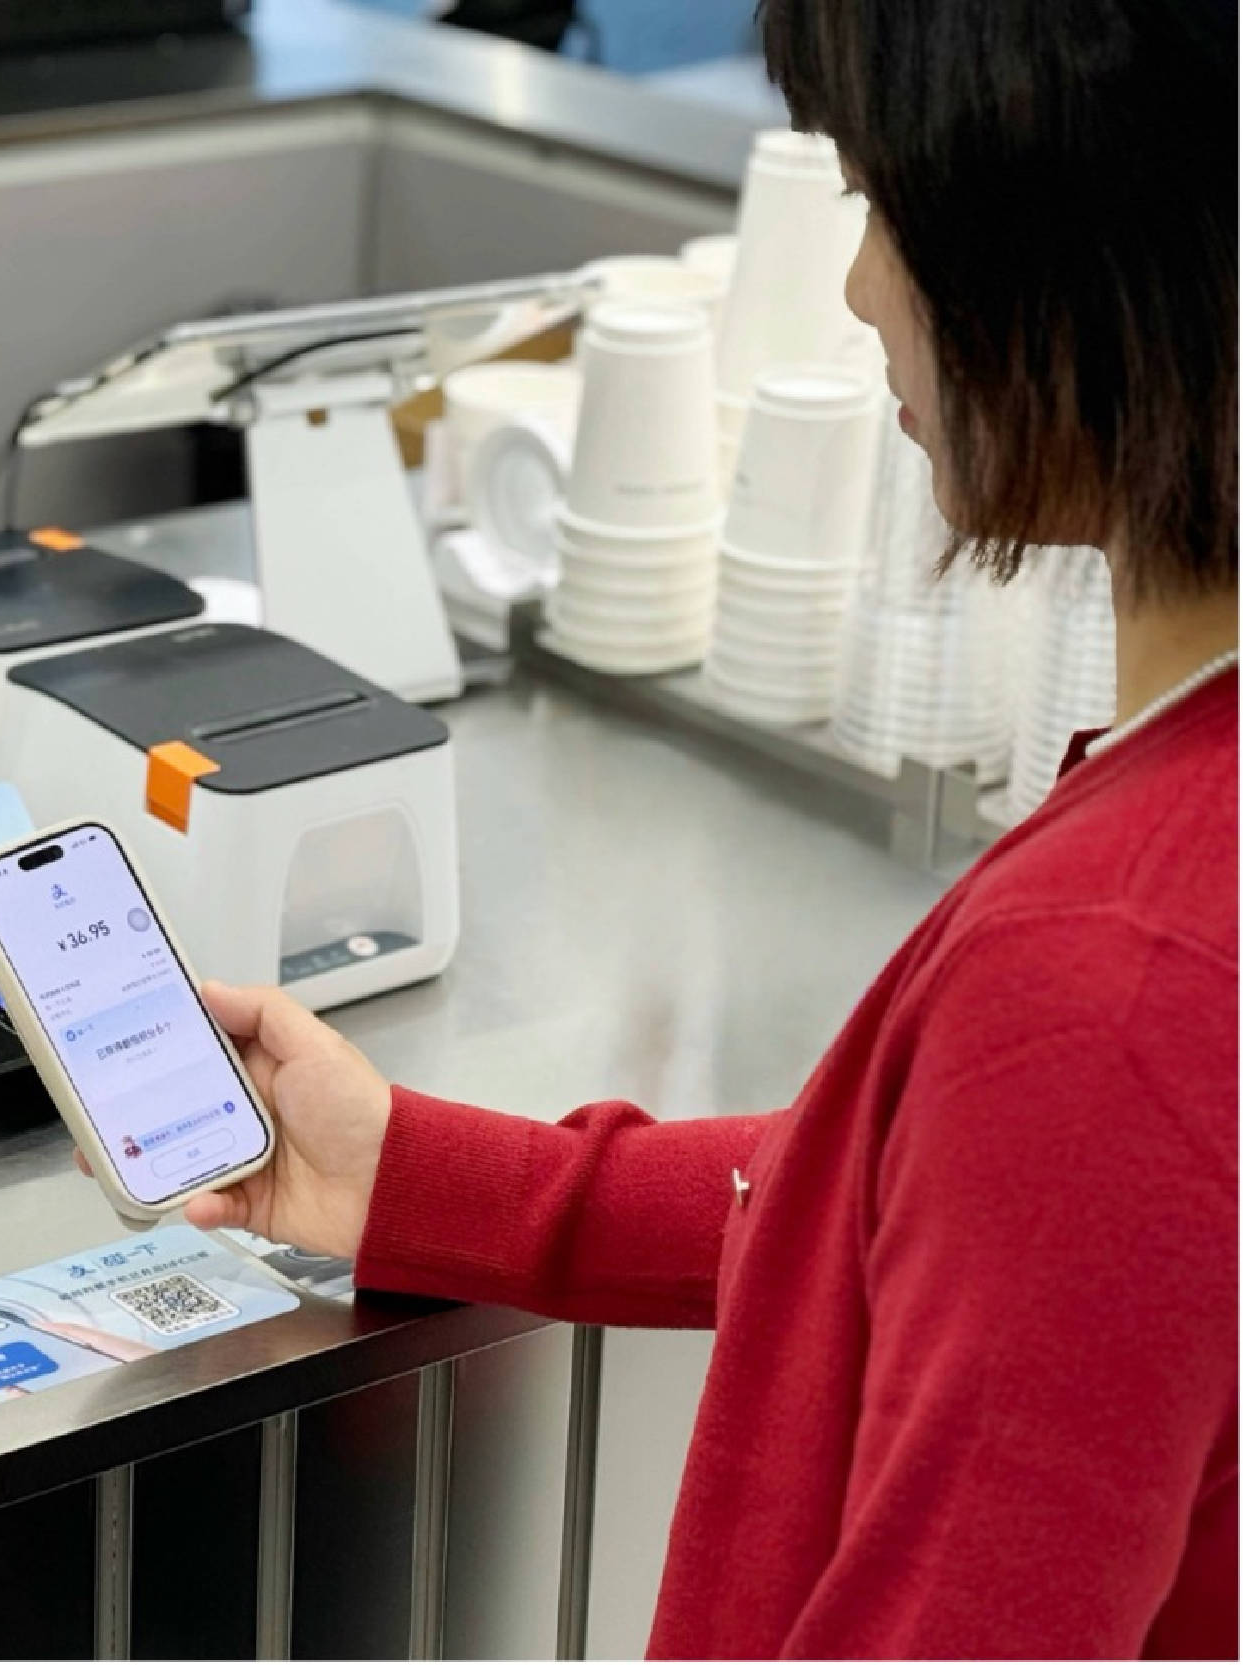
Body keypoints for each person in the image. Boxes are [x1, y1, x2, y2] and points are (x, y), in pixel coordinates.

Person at [181, 0, 1237, 1655]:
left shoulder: (1107, 978)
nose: (858, 289)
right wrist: (423, 1175)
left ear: (1073, 244)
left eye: (882, 207)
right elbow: (899, 1211)